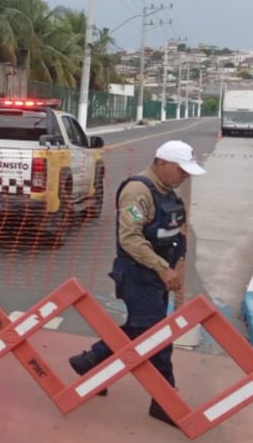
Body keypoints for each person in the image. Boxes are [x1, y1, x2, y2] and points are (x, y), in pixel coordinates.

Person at [67, 139, 206, 426]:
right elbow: (129, 238)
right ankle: (165, 401)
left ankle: (92, 364)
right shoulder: (138, 191)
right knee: (157, 338)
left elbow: (172, 233)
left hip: (158, 275)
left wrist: (174, 267)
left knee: (141, 330)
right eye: (181, 170)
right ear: (162, 163)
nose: (184, 176)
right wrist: (162, 268)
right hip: (139, 274)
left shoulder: (168, 192)